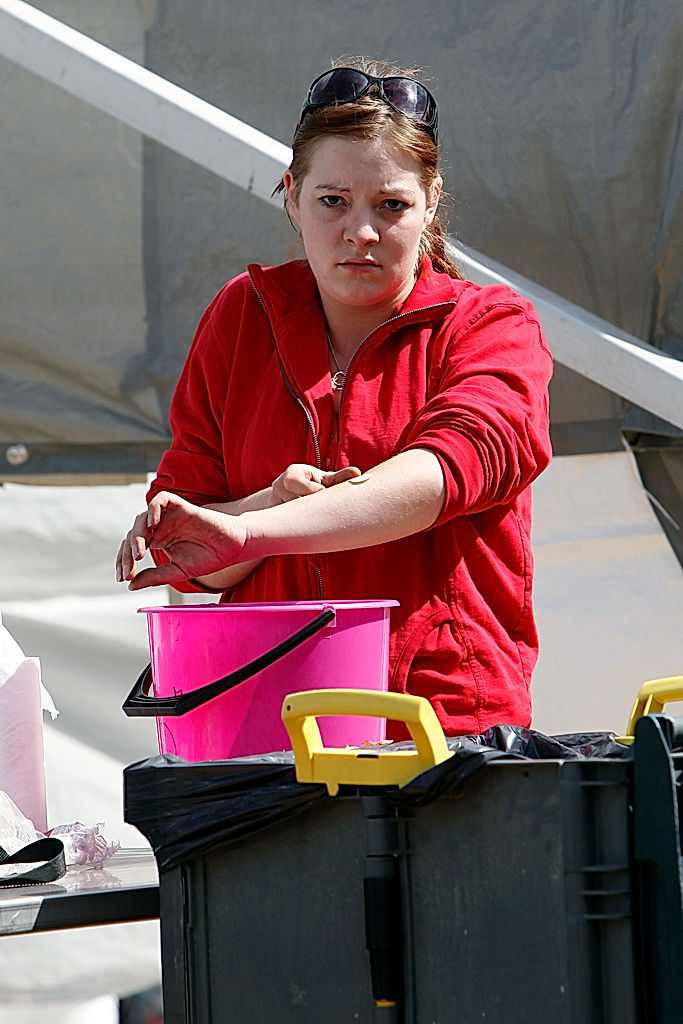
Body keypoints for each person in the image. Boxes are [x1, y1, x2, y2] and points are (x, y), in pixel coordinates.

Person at [116, 57, 553, 739]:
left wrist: (250, 529)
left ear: (432, 201)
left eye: (392, 204)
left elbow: (443, 474)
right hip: (261, 720)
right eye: (331, 201)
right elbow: (191, 561)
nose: (362, 233)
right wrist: (262, 506)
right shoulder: (242, 313)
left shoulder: (492, 324)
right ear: (290, 195)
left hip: (438, 731)